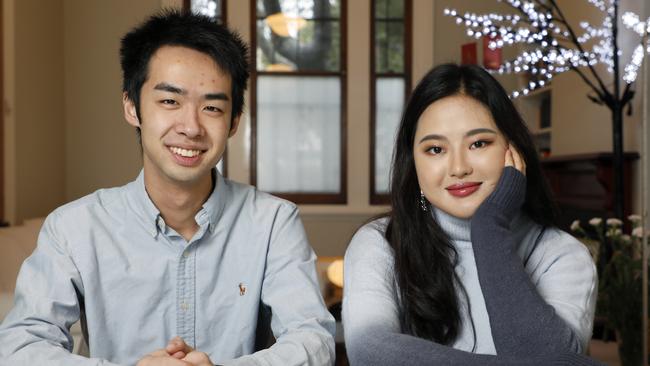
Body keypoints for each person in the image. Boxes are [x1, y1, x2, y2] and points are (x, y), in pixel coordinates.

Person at [0, 10, 335, 366]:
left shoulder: (272, 222)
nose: (191, 127)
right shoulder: (74, 228)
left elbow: (313, 339)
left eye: (211, 107)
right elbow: (21, 346)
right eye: (170, 101)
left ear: (234, 121)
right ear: (132, 106)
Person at [342, 63, 604, 365]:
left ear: (513, 149)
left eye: (479, 143)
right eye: (435, 150)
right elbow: (369, 350)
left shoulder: (562, 255)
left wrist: (489, 227)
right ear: (413, 165)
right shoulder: (380, 242)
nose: (458, 168)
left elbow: (543, 352)